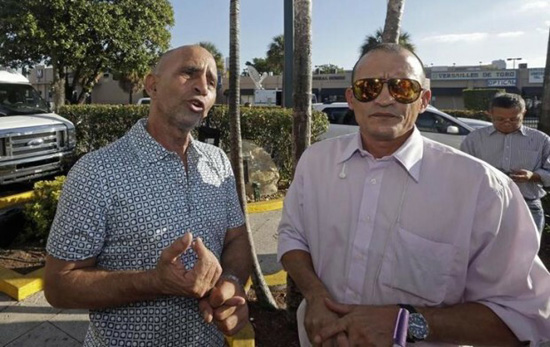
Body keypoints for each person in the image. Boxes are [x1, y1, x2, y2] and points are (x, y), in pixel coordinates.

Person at [277, 43, 550, 346]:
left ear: (423, 100)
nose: (384, 98)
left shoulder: (483, 190)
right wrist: (316, 296)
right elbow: (293, 237)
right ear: (351, 99)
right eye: (369, 88)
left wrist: (408, 322)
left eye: (402, 87)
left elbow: (526, 317)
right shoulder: (316, 162)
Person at [44, 45, 251, 346]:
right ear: (151, 84)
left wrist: (230, 285)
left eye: (212, 80)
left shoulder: (218, 161)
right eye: (189, 72)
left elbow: (237, 238)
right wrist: (154, 281)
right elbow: (59, 285)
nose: (202, 86)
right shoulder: (96, 171)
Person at [460, 93, 550, 233]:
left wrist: (533, 175)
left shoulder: (541, 140)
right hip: (486, 205)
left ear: (524, 113)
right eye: (500, 119)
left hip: (527, 204)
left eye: (514, 119)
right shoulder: (474, 139)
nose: (507, 122)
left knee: (527, 253)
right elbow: (463, 172)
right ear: (489, 114)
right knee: (487, 252)